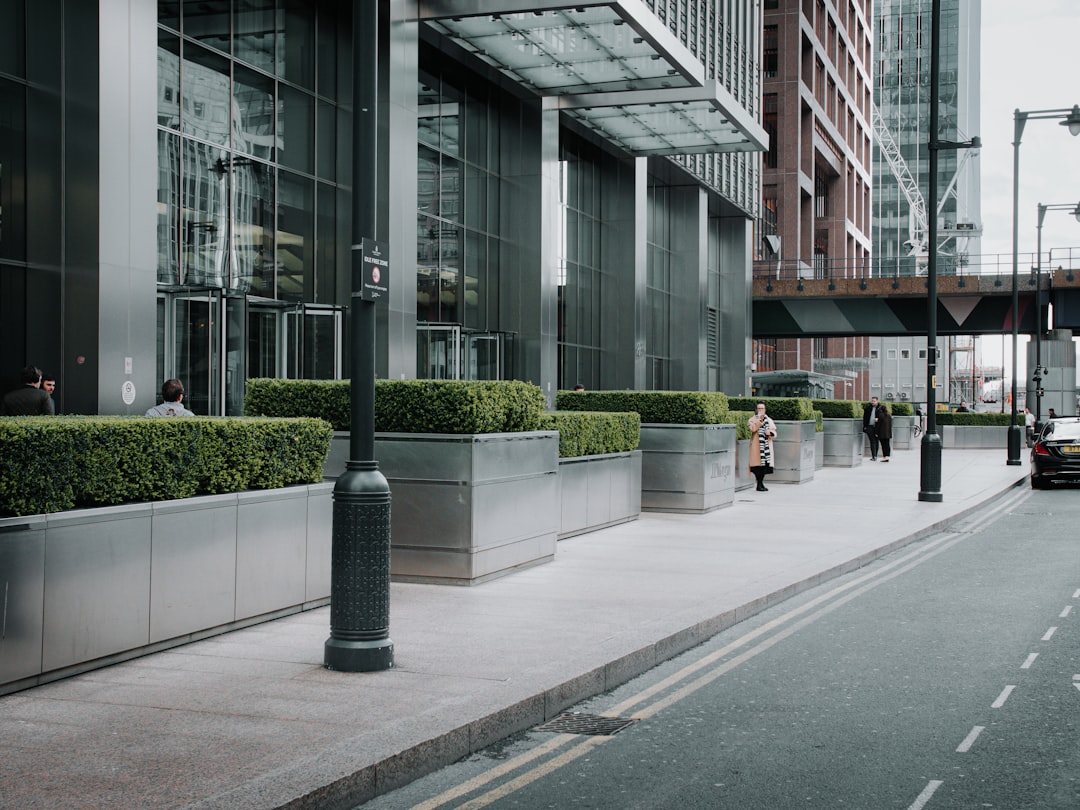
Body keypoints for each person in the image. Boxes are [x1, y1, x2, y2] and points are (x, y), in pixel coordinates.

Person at [747, 401, 777, 492]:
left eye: (762, 408)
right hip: (756, 448)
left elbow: (774, 432)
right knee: (757, 467)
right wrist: (759, 420)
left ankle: (761, 483)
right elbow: (753, 429)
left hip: (766, 447)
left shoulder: (769, 420)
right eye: (759, 408)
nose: (760, 410)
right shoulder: (752, 419)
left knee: (765, 467)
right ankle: (759, 484)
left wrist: (770, 433)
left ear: (765, 410)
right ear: (756, 410)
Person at [862, 396, 882, 461]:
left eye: (874, 401)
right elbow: (865, 418)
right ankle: (874, 456)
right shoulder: (868, 408)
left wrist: (878, 419)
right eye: (872, 401)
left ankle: (875, 455)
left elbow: (883, 417)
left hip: (877, 427)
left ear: (877, 401)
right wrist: (865, 426)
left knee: (876, 441)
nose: (873, 402)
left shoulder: (880, 408)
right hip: (870, 426)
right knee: (872, 441)